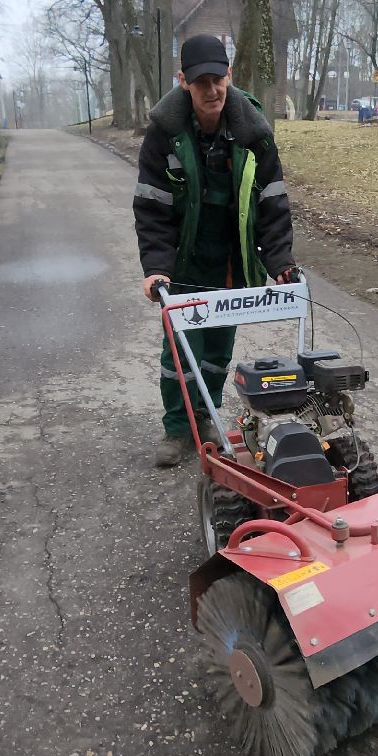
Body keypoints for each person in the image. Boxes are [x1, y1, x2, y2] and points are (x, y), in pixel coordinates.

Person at [133, 34, 298, 468]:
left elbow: (272, 202)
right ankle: (176, 427)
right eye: (201, 80)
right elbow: (152, 209)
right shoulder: (164, 134)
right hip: (184, 262)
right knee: (181, 352)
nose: (212, 90)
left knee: (219, 350)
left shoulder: (254, 133)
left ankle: (203, 416)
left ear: (230, 75)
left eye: (219, 78)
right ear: (183, 80)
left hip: (230, 262)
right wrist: (155, 269)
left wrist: (279, 261)